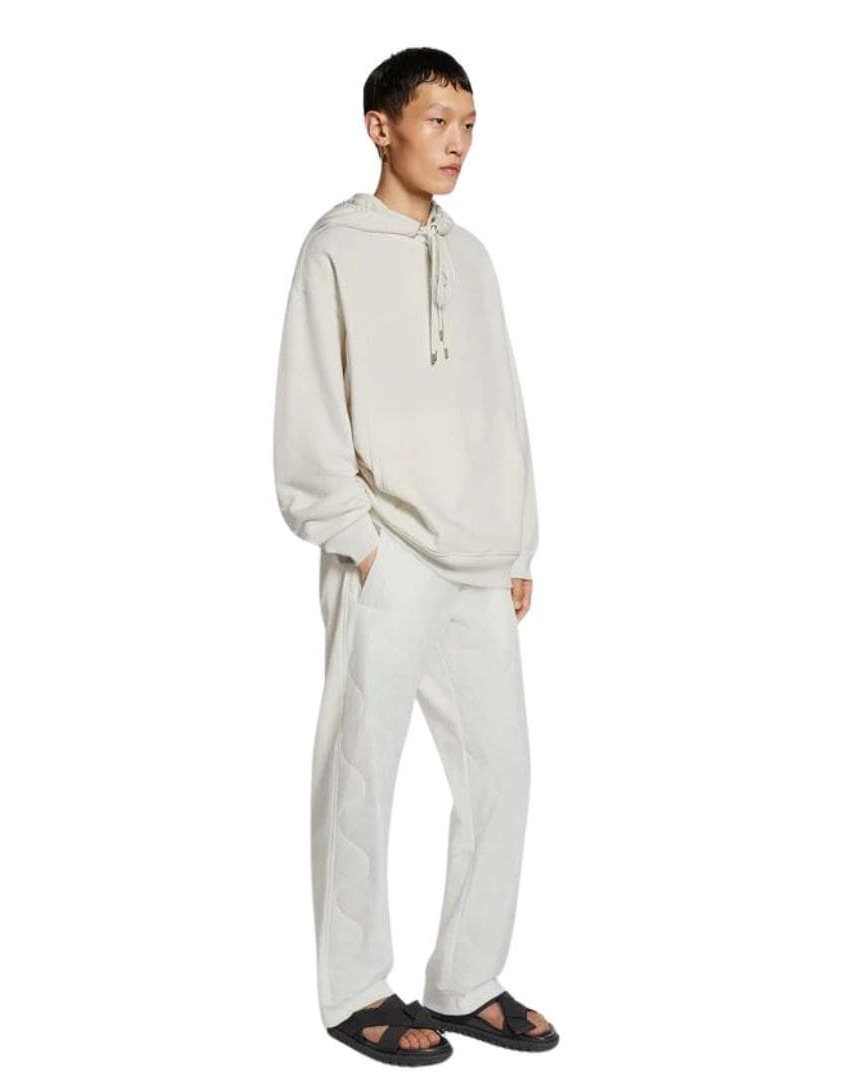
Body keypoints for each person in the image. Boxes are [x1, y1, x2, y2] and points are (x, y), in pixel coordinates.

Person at [272, 47, 559, 1065]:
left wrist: (517, 536)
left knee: (502, 770)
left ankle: (465, 980)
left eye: (469, 124)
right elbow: (310, 401)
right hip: (385, 549)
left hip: (478, 556)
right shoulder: (335, 248)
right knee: (361, 769)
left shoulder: (471, 257)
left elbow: (500, 403)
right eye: (438, 120)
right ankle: (355, 990)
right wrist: (354, 539)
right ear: (380, 126)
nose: (457, 142)